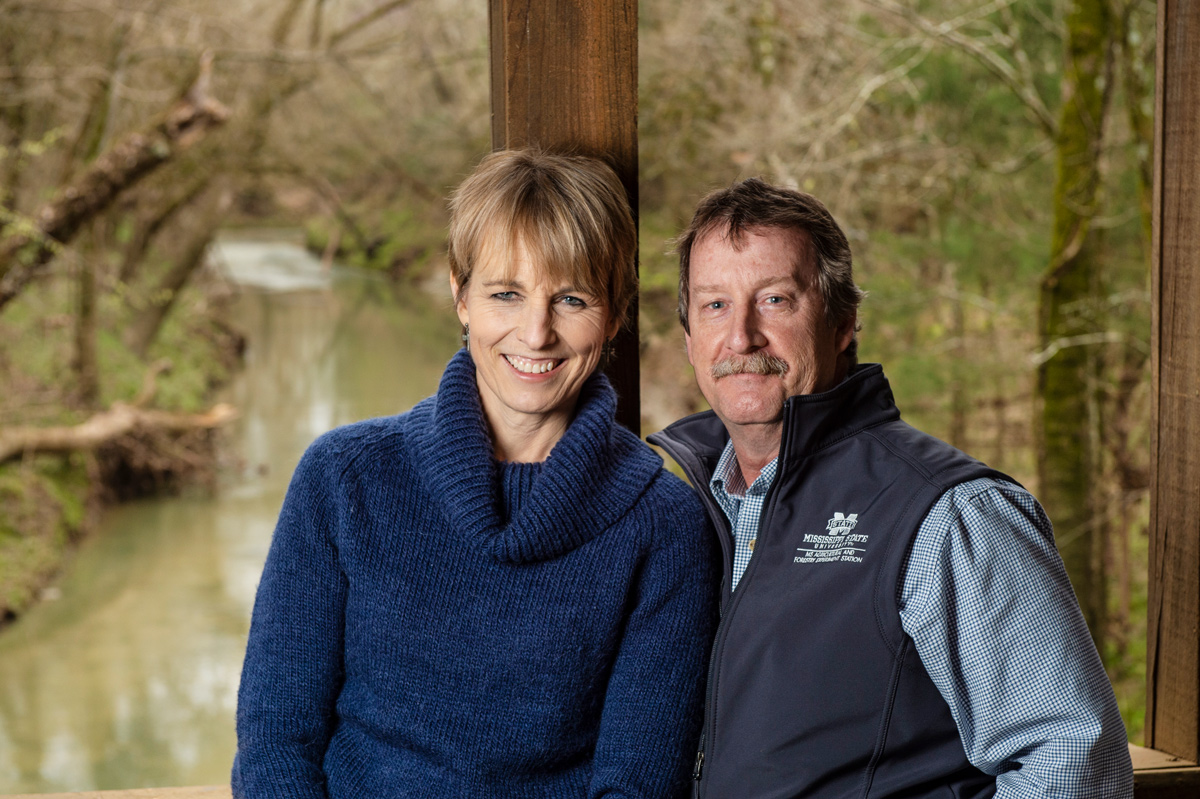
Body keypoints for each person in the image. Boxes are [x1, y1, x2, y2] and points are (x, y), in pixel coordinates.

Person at [232, 149, 719, 799]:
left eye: (570, 298)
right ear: (460, 294)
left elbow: (637, 784)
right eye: (506, 294)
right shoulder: (344, 479)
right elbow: (275, 741)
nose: (536, 331)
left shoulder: (663, 523)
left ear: (615, 314)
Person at [648, 178, 1134, 799]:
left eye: (775, 300)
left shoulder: (950, 513)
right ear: (689, 336)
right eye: (714, 305)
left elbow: (1074, 765)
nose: (741, 336)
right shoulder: (689, 502)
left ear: (843, 321)